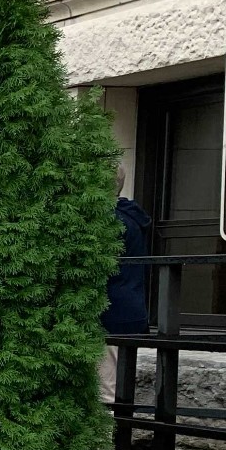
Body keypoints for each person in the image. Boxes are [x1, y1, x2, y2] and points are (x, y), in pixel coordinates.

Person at [100, 166, 152, 404]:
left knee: (107, 389)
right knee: (120, 385)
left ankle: (109, 442)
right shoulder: (132, 217)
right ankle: (119, 437)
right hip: (132, 311)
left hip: (112, 313)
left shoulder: (109, 220)